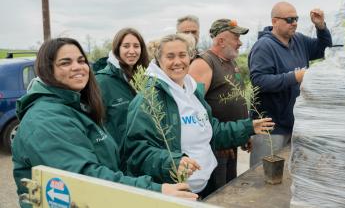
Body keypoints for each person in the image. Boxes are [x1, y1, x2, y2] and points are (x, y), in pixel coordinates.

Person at [12, 38, 198, 207]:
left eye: (81, 60)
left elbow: (116, 160)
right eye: (65, 63)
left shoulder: (77, 107)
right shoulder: (46, 120)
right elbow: (85, 178)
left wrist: (167, 162)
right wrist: (155, 191)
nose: (78, 67)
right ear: (47, 69)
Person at [123, 34, 275, 198]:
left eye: (182, 55)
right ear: (159, 60)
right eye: (170, 56)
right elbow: (136, 151)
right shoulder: (148, 99)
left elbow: (211, 130)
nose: (177, 62)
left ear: (190, 57)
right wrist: (171, 162)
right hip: (176, 192)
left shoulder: (192, 91)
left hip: (205, 185)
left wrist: (248, 127)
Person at [248, 1, 333, 167]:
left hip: (294, 124)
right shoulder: (264, 46)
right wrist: (294, 77)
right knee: (263, 177)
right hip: (270, 129)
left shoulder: (298, 40)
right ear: (274, 21)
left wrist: (321, 27)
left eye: (296, 18)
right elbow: (259, 81)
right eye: (289, 19)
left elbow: (325, 49)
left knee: (287, 177)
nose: (294, 23)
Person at [188, 19, 249, 189]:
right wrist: (215, 141)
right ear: (221, 41)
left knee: (229, 190)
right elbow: (194, 109)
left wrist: (243, 134)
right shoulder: (204, 63)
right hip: (215, 148)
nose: (240, 42)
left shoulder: (230, 61)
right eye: (236, 38)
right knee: (217, 195)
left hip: (230, 141)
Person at [95, 28, 149, 170]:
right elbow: (96, 125)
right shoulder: (102, 82)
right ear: (117, 48)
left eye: (136, 46)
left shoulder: (146, 78)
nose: (132, 51)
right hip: (120, 161)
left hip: (144, 156)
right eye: (126, 46)